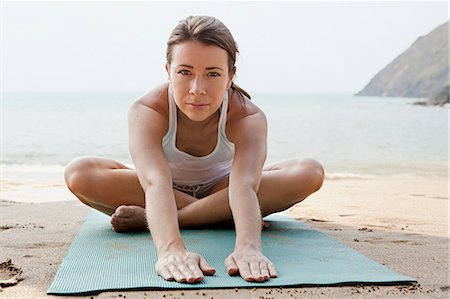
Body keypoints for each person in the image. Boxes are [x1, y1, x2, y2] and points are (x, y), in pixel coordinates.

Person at [64, 15, 325, 284]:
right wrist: (170, 250)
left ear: (230, 76)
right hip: (165, 192)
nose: (197, 89)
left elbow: (244, 186)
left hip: (223, 190)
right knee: (79, 173)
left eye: (213, 74)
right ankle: (219, 217)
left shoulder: (247, 116)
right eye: (185, 72)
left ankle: (156, 219)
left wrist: (248, 247)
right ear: (168, 70)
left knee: (309, 171)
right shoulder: (147, 110)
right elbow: (155, 183)